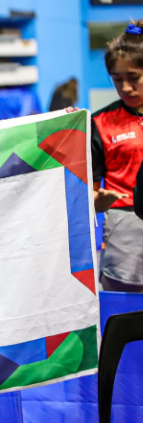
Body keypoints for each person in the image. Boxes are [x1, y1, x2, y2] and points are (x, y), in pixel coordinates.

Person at [92, 20, 143, 292]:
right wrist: (97, 200)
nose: (125, 88)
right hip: (124, 241)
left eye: (133, 77)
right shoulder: (99, 123)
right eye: (117, 79)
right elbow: (90, 193)